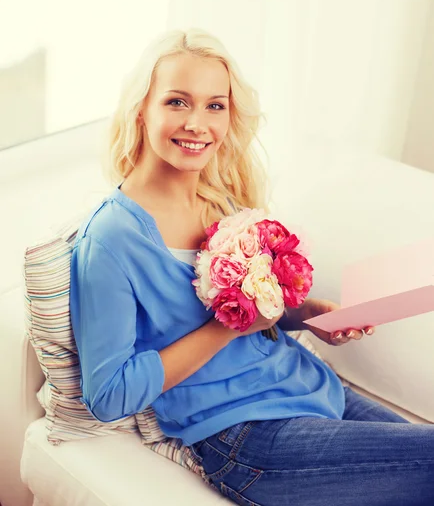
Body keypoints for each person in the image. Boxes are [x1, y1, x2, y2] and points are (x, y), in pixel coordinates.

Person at [69, 28, 434, 506]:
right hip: (246, 436)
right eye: (177, 102)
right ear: (142, 109)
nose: (198, 123)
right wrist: (230, 329)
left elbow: (258, 310)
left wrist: (306, 316)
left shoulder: (222, 203)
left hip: (311, 385)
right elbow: (110, 394)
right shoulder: (111, 240)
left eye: (214, 106)